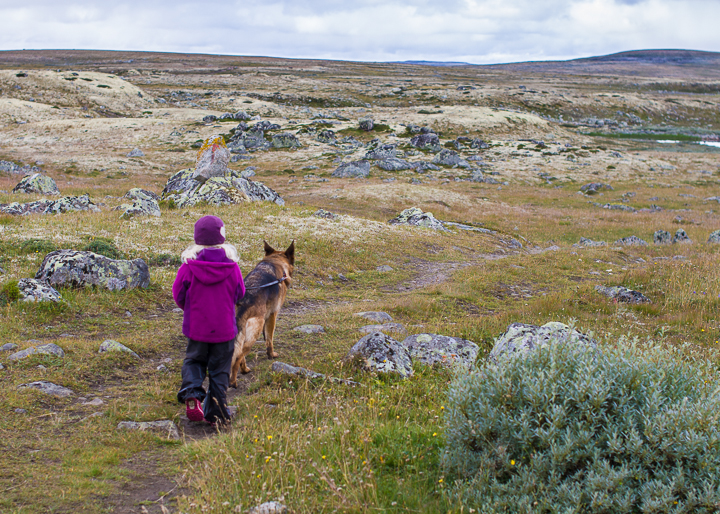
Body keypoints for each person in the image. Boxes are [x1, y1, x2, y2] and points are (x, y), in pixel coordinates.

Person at [173, 215, 245, 426]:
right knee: (220, 370)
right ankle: (217, 412)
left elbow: (178, 294)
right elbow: (240, 294)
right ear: (222, 237)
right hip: (224, 331)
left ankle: (193, 395)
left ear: (198, 238)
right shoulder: (232, 267)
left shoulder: (188, 266)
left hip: (197, 328)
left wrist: (191, 310)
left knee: (194, 360)